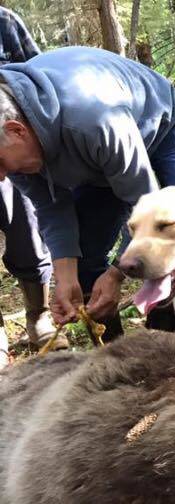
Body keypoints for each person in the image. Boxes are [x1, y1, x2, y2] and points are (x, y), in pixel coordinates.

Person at [0, 46, 175, 341]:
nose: (1, 176)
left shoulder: (91, 119)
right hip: (97, 161)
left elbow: (146, 207)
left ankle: (168, 340)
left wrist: (116, 275)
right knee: (83, 261)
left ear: (17, 131)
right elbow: (51, 207)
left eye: (0, 162)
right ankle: (119, 359)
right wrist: (66, 277)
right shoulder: (15, 153)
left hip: (164, 129)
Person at [0, 7, 66, 368]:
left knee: (26, 226)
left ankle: (38, 315)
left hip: (9, 141)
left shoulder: (4, 22)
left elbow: (38, 77)